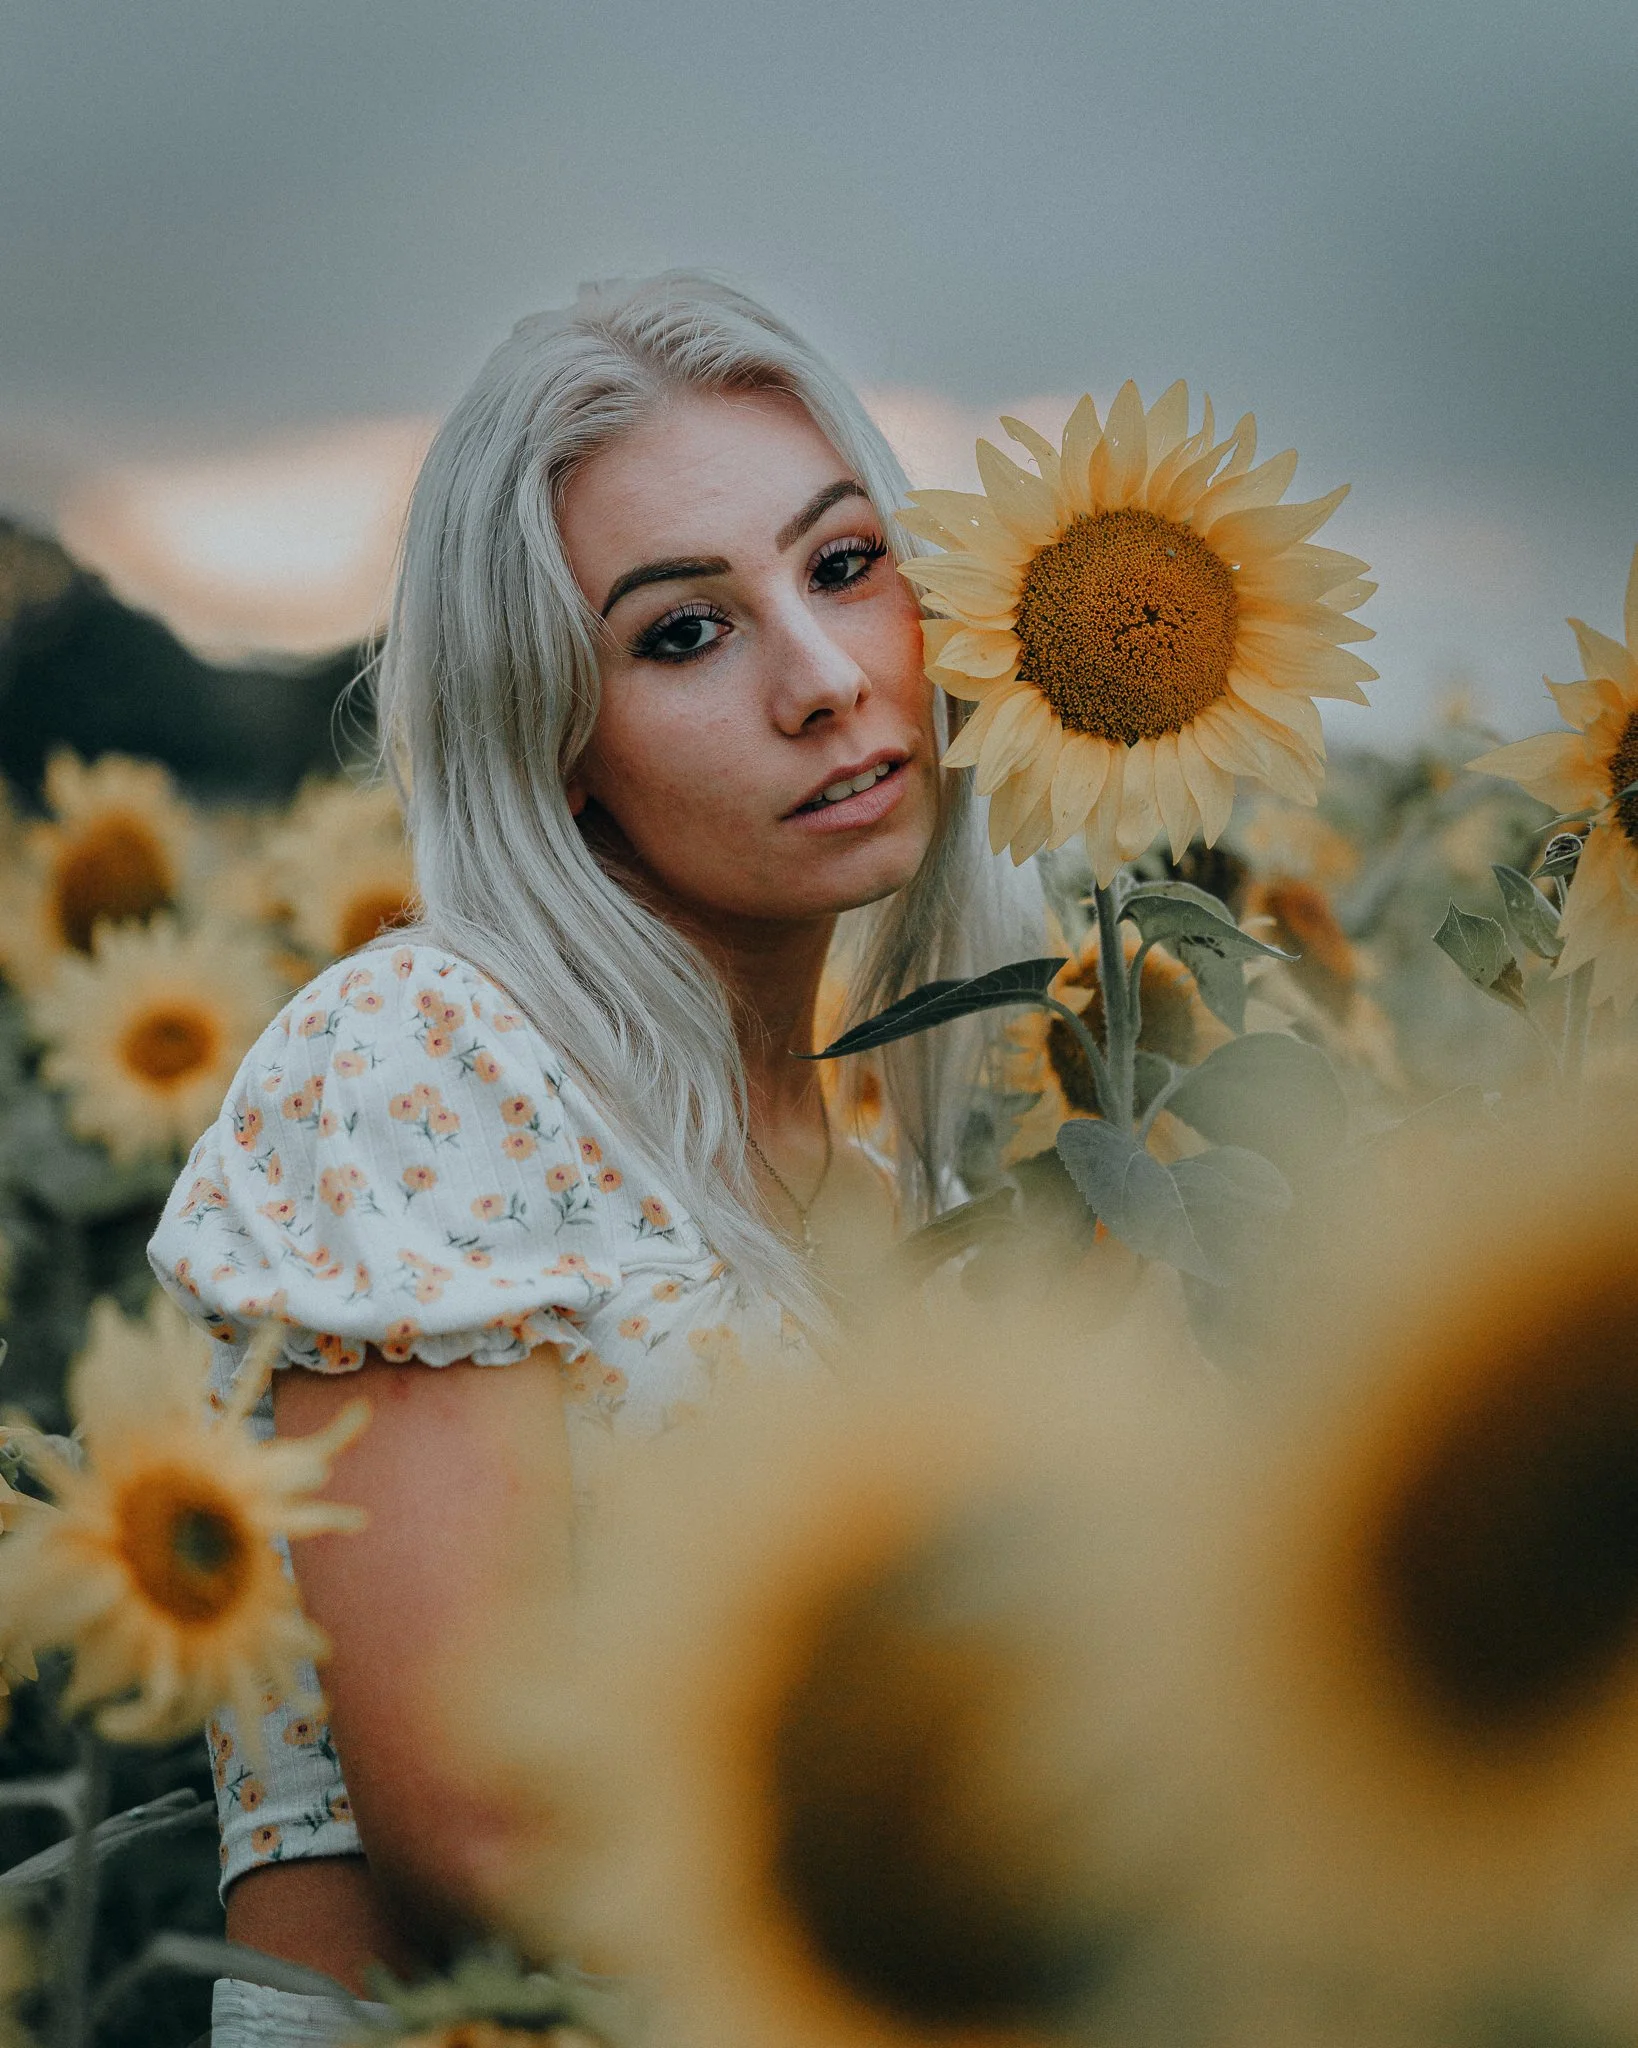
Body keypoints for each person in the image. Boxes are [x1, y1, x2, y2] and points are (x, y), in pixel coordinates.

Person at [149, 271, 1038, 2044]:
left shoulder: (905, 1170)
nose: (821, 679)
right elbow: (484, 1825)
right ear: (556, 740)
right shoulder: (427, 1058)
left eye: (844, 565)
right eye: (681, 633)